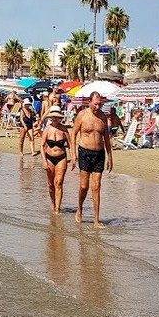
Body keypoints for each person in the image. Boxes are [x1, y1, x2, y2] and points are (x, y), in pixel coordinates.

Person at [70, 92, 113, 227]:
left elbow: (106, 137)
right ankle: (80, 208)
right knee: (84, 186)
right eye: (95, 104)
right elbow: (73, 134)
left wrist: (110, 157)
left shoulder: (102, 117)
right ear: (90, 102)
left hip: (99, 153)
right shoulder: (82, 115)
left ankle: (96, 219)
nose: (98, 106)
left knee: (96, 187)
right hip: (84, 152)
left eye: (100, 104)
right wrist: (73, 154)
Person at [41, 106, 71, 214]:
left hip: (61, 158)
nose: (55, 119)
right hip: (49, 158)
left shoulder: (64, 129)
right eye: (53, 117)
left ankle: (58, 209)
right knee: (50, 184)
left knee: (58, 183)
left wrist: (73, 158)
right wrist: (44, 160)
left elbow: (71, 144)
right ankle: (53, 204)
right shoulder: (47, 129)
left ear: (59, 118)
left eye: (56, 117)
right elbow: (42, 146)